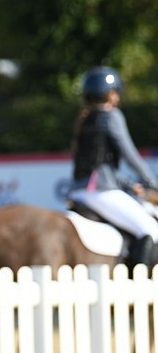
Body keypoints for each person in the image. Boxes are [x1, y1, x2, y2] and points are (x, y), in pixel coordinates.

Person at [68, 66, 158, 268]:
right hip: (100, 192)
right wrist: (152, 182)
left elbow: (100, 164)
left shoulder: (84, 120)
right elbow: (130, 155)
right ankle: (135, 287)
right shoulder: (112, 116)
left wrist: (128, 184)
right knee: (151, 229)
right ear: (112, 95)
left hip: (78, 193)